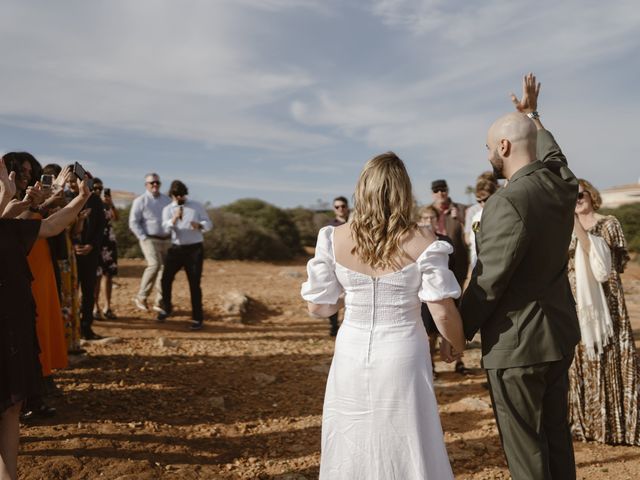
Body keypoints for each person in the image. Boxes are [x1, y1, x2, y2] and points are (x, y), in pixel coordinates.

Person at [301, 152, 465, 479]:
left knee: (351, 434)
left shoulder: (333, 238)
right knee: (408, 438)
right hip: (404, 349)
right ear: (405, 191)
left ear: (361, 190)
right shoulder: (425, 241)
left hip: (350, 349)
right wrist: (456, 343)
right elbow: (441, 310)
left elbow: (320, 308)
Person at [461, 73, 580, 480]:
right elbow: (555, 156)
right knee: (556, 439)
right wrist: (531, 114)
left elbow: (488, 281)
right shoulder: (562, 185)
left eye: (490, 148)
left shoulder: (506, 202)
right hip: (559, 335)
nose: (489, 156)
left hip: (518, 346)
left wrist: (453, 329)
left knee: (527, 451)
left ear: (504, 146)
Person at [0, 156, 91, 480]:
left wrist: (81, 198)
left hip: (14, 327)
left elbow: (52, 226)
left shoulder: (9, 227)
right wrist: (10, 197)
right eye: (4, 177)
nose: (10, 180)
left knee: (11, 407)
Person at [568, 179, 640, 445]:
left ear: (591, 194)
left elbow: (607, 265)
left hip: (607, 302)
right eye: (571, 197)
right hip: (577, 305)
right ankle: (586, 425)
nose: (577, 199)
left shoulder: (609, 223)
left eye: (580, 194)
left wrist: (575, 224)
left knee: (610, 355)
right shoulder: (564, 229)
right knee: (582, 358)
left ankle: (615, 428)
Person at [158, 180, 212, 330]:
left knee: (194, 284)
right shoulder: (168, 209)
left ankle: (197, 318)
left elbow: (209, 224)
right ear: (172, 195)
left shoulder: (196, 206)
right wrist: (174, 219)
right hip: (176, 248)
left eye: (181, 195)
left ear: (185, 194)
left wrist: (200, 225)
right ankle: (166, 307)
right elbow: (164, 229)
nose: (179, 198)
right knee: (165, 279)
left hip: (194, 250)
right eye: (176, 196)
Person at [70, 172, 106, 340]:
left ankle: (86, 328)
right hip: (71, 252)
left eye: (74, 181)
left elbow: (100, 228)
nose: (71, 185)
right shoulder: (65, 198)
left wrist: (92, 245)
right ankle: (72, 329)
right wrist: (74, 244)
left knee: (89, 290)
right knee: (71, 292)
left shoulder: (95, 200)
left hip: (91, 252)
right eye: (69, 182)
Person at [129, 173, 171, 313]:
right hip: (149, 238)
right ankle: (141, 297)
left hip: (166, 239)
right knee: (154, 264)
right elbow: (133, 221)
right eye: (152, 183)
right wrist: (143, 237)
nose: (155, 185)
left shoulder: (167, 200)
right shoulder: (140, 200)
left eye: (157, 182)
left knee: (165, 270)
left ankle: (160, 302)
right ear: (146, 185)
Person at [430, 178, 468, 287]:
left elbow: (473, 232)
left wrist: (462, 219)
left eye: (443, 190)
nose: (440, 193)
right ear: (432, 193)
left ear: (448, 191)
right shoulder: (426, 213)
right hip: (435, 263)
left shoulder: (462, 209)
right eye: (436, 191)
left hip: (458, 262)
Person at [92, 178, 119, 320]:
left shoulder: (106, 205)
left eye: (100, 188)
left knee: (108, 275)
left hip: (109, 241)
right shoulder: (88, 203)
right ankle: (95, 307)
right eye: (95, 188)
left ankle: (107, 306)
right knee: (96, 276)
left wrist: (111, 205)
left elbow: (116, 218)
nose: (98, 191)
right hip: (96, 241)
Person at [325, 196, 349, 336]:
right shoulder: (329, 227)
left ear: (347, 207)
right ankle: (333, 325)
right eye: (337, 207)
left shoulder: (354, 223)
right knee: (333, 296)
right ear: (334, 209)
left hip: (352, 265)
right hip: (335, 265)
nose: (340, 209)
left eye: (343, 206)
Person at [468, 176, 499, 271]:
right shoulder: (476, 218)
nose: (482, 204)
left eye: (485, 200)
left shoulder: (505, 211)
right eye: (479, 201)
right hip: (483, 266)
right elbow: (474, 244)